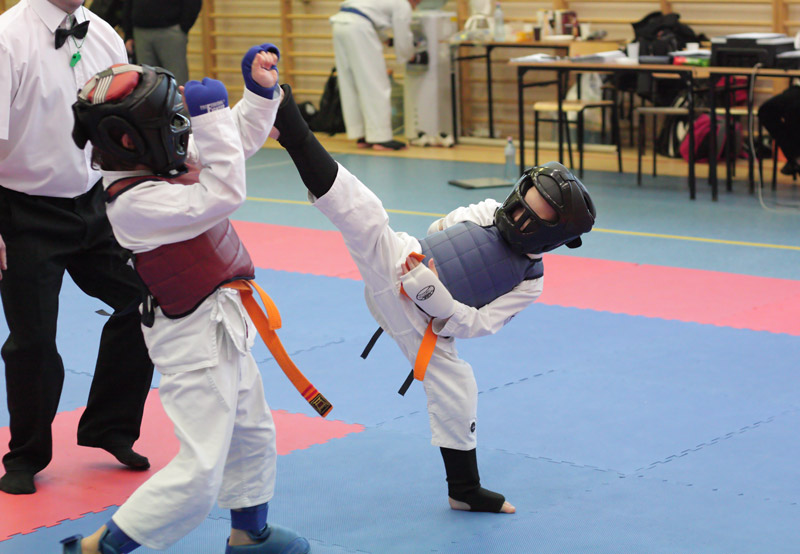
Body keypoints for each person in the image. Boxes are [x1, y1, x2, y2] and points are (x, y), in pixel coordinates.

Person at [269, 84, 596, 513]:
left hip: (425, 322)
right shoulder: (489, 210)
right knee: (366, 215)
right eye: (519, 202)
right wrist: (422, 270)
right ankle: (289, 123)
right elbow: (441, 229)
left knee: (458, 386)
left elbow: (479, 324)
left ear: (550, 234)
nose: (514, 212)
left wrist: (435, 297)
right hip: (402, 265)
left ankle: (464, 490)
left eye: (527, 215)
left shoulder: (529, 281)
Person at [61, 45, 310, 554]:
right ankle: (96, 548)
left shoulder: (158, 155)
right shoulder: (134, 202)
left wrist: (257, 96)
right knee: (200, 470)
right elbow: (223, 192)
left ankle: (250, 535)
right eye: (170, 122)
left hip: (224, 320)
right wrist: (211, 120)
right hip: (192, 340)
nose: (181, 131)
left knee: (252, 432)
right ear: (128, 138)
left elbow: (230, 141)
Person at [0, 0, 155, 495]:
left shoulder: (103, 34)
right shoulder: (7, 38)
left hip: (94, 203)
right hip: (22, 213)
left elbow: (121, 126)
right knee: (33, 341)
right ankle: (26, 455)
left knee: (147, 300)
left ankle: (110, 427)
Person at [329, 0, 423, 150]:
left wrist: (386, 40)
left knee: (350, 82)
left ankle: (361, 134)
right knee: (375, 83)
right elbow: (403, 35)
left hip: (340, 24)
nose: (416, 6)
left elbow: (368, 16)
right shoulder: (403, 4)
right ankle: (381, 138)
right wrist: (410, 56)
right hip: (359, 27)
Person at [122, 0, 202, 85]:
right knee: (146, 83)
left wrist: (184, 26)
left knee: (177, 81)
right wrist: (128, 34)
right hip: (140, 32)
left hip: (170, 30)